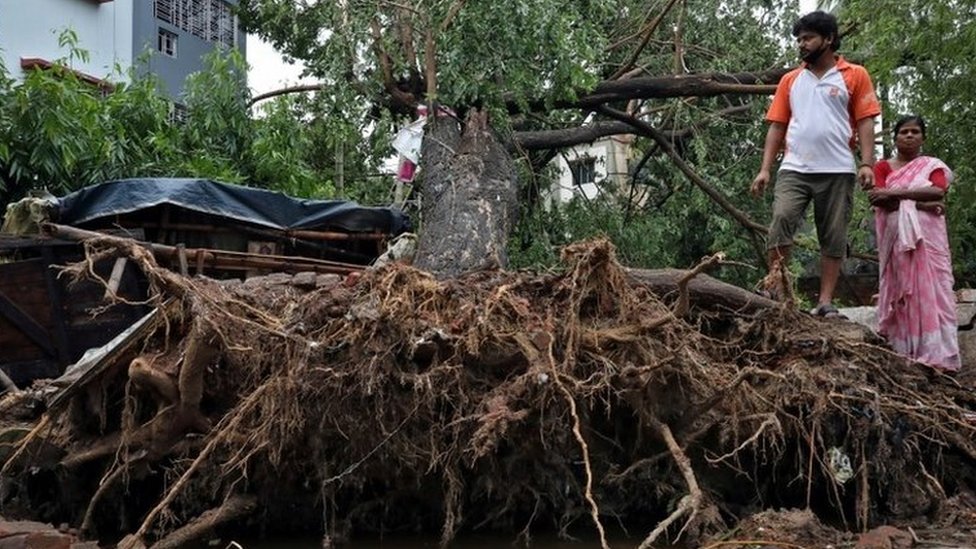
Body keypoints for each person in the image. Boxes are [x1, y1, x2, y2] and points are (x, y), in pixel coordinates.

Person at [750, 10, 881, 317]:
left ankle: (824, 301)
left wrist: (866, 163)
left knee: (833, 235)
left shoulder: (855, 75)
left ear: (829, 39)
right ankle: (777, 290)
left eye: (808, 38)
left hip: (837, 169)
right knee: (782, 219)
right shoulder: (790, 80)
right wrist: (765, 168)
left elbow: (865, 122)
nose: (802, 44)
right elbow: (777, 127)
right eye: (799, 39)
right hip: (795, 167)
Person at [870, 115, 960, 372]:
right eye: (904, 132)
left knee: (936, 289)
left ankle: (940, 356)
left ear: (923, 137)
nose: (909, 136)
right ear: (895, 137)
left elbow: (937, 191)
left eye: (915, 132)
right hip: (897, 237)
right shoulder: (883, 167)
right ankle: (906, 354)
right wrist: (923, 202)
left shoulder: (932, 165)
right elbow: (878, 199)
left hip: (929, 239)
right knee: (904, 291)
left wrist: (896, 194)